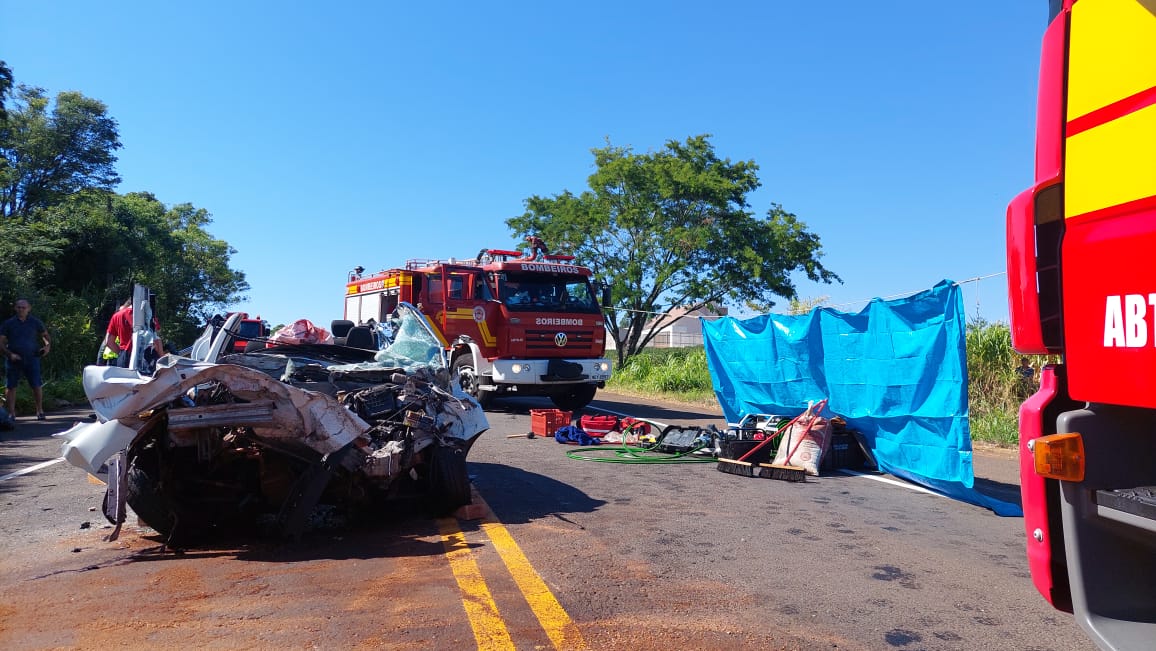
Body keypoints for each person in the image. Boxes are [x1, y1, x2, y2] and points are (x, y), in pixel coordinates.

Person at [0, 299, 52, 421]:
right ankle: (11, 414)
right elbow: (1, 342)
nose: (21, 309)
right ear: (15, 308)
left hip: (32, 357)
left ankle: (40, 411)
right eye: (18, 307)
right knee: (11, 386)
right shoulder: (9, 323)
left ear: (29, 308)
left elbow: (45, 335)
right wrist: (9, 354)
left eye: (23, 307)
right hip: (14, 359)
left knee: (36, 385)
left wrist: (47, 346)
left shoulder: (35, 322)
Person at [102, 298, 163, 369]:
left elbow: (109, 342)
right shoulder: (148, 316)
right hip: (146, 358)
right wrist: (161, 359)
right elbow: (156, 339)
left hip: (124, 358)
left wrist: (122, 354)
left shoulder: (117, 316)